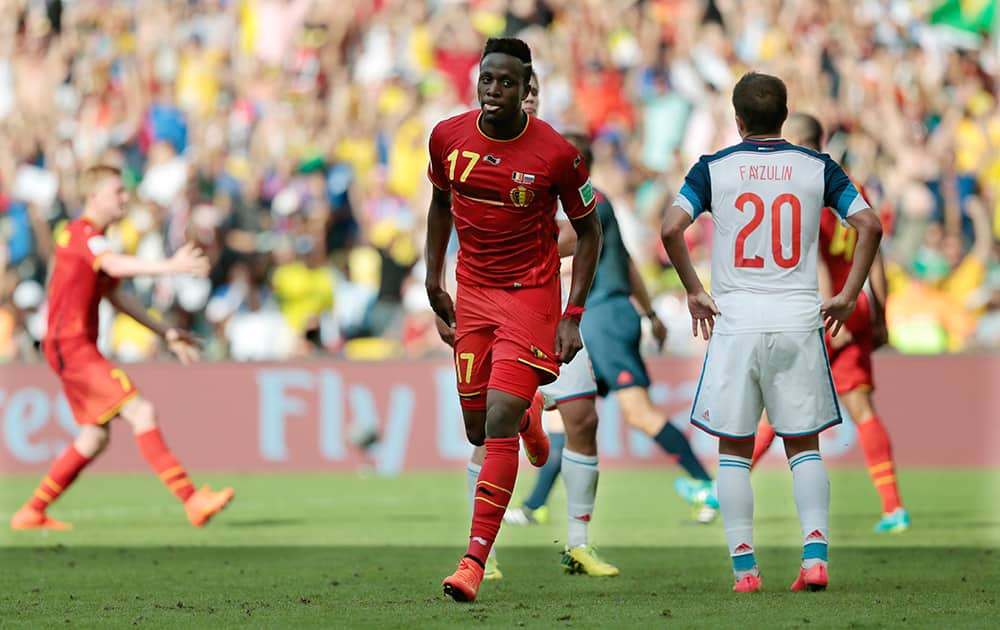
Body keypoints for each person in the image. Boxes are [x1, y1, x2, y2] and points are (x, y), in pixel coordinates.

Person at [660, 72, 882, 593]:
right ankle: (815, 558)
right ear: (784, 116)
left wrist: (694, 290)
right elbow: (869, 225)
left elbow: (671, 227)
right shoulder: (817, 166)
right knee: (803, 446)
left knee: (735, 450)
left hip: (736, 322)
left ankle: (745, 570)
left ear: (737, 121)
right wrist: (849, 296)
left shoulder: (714, 168)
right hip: (798, 321)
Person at [426, 38, 602, 603]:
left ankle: (473, 562)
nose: (493, 90)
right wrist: (433, 279)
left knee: (494, 419)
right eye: (486, 80)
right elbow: (438, 205)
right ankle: (530, 418)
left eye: (506, 82)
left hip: (531, 295)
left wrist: (573, 314)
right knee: (479, 427)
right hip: (473, 291)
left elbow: (593, 231)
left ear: (528, 90)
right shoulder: (447, 138)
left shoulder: (556, 154)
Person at [507, 132, 722, 525]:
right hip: (606, 314)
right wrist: (651, 315)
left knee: (638, 412)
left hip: (604, 316)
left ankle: (707, 486)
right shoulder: (592, 203)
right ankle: (533, 506)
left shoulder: (591, 200)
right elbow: (625, 262)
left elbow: (562, 243)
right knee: (565, 414)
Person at [10, 165, 235, 532]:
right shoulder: (79, 233)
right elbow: (112, 263)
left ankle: (31, 511)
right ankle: (192, 500)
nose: (124, 198)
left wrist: (165, 332)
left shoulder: (96, 239)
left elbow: (116, 296)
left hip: (73, 346)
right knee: (141, 411)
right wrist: (170, 265)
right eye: (117, 191)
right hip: (71, 345)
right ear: (94, 196)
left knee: (94, 436)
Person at [748, 113, 909, 534]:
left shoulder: (808, 187)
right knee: (861, 407)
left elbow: (812, 258)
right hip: (855, 306)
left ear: (799, 142)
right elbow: (875, 251)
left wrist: (813, 314)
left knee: (775, 400)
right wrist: (880, 312)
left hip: (824, 310)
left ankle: (725, 484)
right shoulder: (853, 186)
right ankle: (894, 508)